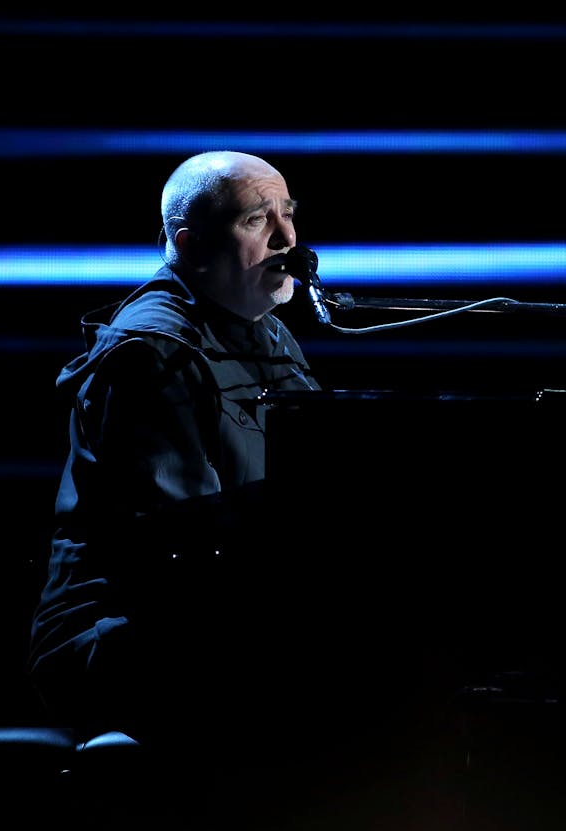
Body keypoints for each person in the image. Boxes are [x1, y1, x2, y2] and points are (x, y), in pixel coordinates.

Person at [27, 150, 338, 829]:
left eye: (289, 215)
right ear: (191, 243)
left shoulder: (271, 336)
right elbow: (184, 549)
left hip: (212, 615)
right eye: (260, 220)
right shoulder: (152, 351)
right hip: (117, 637)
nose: (290, 241)